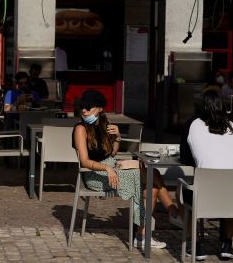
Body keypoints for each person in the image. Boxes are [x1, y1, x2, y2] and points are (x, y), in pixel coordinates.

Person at [72, 89, 178, 249]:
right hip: (95, 174)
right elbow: (85, 161)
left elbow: (112, 152)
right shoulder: (80, 128)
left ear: (100, 109)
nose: (84, 111)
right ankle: (167, 217)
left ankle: (150, 228)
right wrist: (108, 169)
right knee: (151, 185)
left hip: (111, 166)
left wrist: (117, 137)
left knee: (151, 175)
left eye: (89, 107)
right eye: (82, 107)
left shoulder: (103, 124)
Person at [186, 89, 233, 261]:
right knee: (230, 191)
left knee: (184, 195)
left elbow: (185, 156)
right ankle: (227, 243)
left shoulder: (193, 124)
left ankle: (197, 245)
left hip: (205, 194)